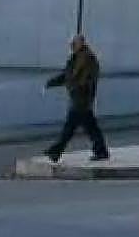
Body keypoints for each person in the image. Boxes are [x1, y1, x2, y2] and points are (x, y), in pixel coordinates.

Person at [44, 34, 109, 162]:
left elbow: (87, 79)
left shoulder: (88, 58)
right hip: (79, 98)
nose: (72, 46)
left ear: (81, 43)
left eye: (74, 43)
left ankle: (55, 151)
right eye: (72, 43)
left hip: (82, 98)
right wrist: (52, 82)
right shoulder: (75, 58)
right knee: (90, 127)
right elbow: (66, 75)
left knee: (70, 126)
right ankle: (101, 150)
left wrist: (77, 88)